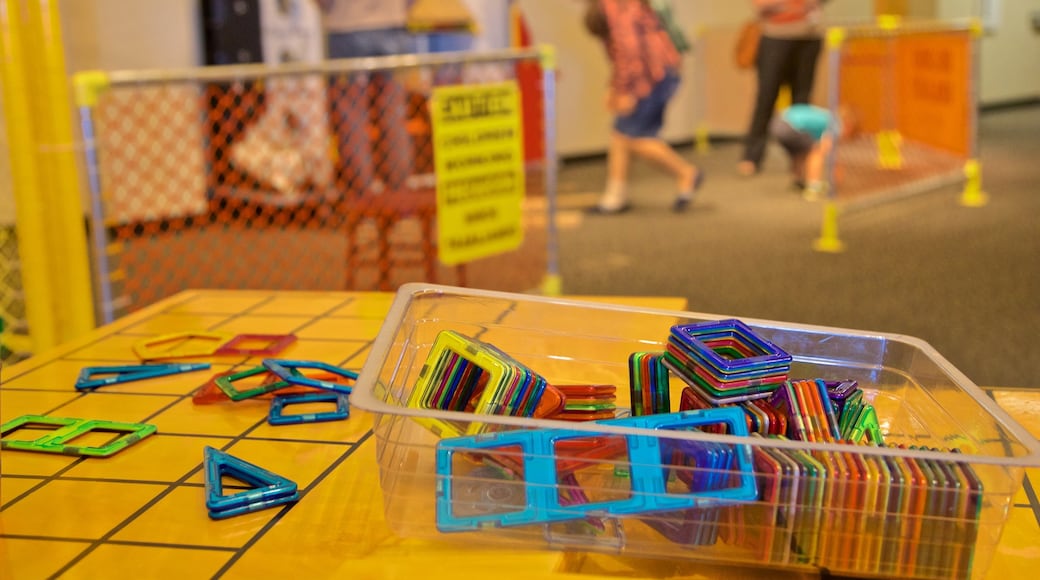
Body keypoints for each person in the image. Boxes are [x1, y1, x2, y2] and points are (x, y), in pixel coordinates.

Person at [585, 0, 703, 215]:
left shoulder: (614, 5)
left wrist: (624, 90)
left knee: (636, 138)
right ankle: (615, 196)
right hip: (656, 73)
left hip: (651, 76)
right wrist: (615, 88)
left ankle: (687, 173)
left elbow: (631, 51)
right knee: (620, 134)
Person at [318, 0, 416, 194]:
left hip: (346, 27)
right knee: (394, 112)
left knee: (352, 117)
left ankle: (363, 202)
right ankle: (400, 199)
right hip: (393, 25)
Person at [738, 0, 827, 177]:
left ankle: (801, 160)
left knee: (802, 103)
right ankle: (752, 156)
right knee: (766, 97)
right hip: (775, 35)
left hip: (809, 35)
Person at [770, 103, 855, 199]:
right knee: (815, 152)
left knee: (800, 152)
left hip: (777, 122)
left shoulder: (824, 116)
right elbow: (825, 148)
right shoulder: (837, 123)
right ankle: (813, 185)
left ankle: (798, 181)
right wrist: (836, 167)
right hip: (790, 125)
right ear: (848, 124)